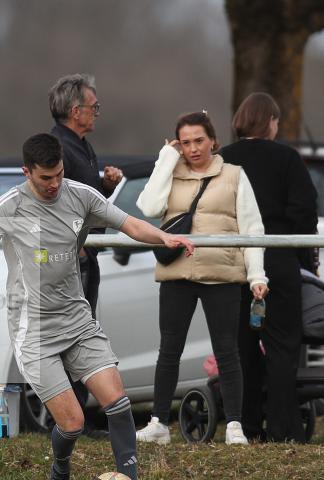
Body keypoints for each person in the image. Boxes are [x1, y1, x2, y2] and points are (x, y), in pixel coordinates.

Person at [0, 133, 187, 480]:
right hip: (35, 332)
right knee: (74, 422)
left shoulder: (81, 195)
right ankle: (59, 472)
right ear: (26, 172)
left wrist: (164, 237)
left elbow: (129, 224)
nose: (54, 185)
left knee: (116, 400)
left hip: (77, 321)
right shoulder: (10, 206)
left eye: (59, 175)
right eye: (45, 178)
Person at [136, 111, 268, 445]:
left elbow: (252, 228)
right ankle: (158, 423)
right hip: (177, 272)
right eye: (185, 142)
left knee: (228, 351)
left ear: (212, 140)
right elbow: (148, 207)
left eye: (199, 140)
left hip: (221, 273)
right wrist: (166, 158)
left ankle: (235, 425)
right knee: (169, 349)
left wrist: (256, 275)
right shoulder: (171, 170)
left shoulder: (235, 175)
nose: (193, 148)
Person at [220, 93, 318, 442]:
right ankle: (281, 428)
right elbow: (305, 211)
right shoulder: (287, 159)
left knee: (240, 347)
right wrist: (303, 257)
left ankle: (244, 425)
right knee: (282, 347)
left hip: (235, 260)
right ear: (271, 122)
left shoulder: (224, 160)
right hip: (278, 256)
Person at [49, 74, 123, 437]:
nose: (97, 113)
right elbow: (51, 198)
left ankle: (76, 416)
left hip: (85, 253)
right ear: (75, 111)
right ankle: (67, 420)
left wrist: (105, 186)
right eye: (94, 107)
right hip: (70, 256)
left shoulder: (80, 144)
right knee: (71, 335)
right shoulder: (56, 146)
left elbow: (87, 199)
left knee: (82, 332)